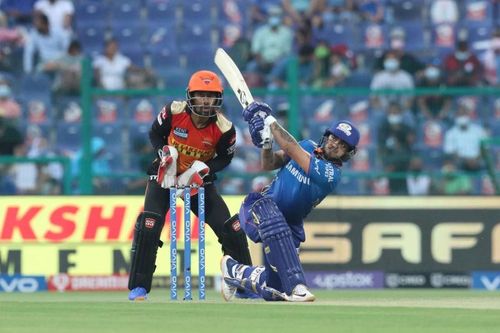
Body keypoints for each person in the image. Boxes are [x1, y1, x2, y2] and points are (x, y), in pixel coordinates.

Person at [128, 70, 252, 301]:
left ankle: (245, 286)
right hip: (167, 172)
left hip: (196, 179)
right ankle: (139, 288)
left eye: (211, 95)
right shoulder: (174, 111)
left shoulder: (225, 129)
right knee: (149, 224)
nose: (205, 100)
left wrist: (205, 170)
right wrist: (163, 153)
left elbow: (224, 158)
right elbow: (155, 134)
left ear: (218, 99)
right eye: (200, 95)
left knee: (232, 228)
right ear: (190, 96)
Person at [220, 101, 360, 302]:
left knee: (275, 291)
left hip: (289, 227)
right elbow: (268, 164)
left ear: (348, 152)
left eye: (342, 144)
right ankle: (297, 286)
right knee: (273, 219)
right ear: (327, 135)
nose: (335, 143)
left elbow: (291, 148)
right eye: (334, 137)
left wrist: (270, 121)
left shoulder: (331, 174)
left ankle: (234, 271)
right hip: (260, 208)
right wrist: (267, 145)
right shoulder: (307, 146)